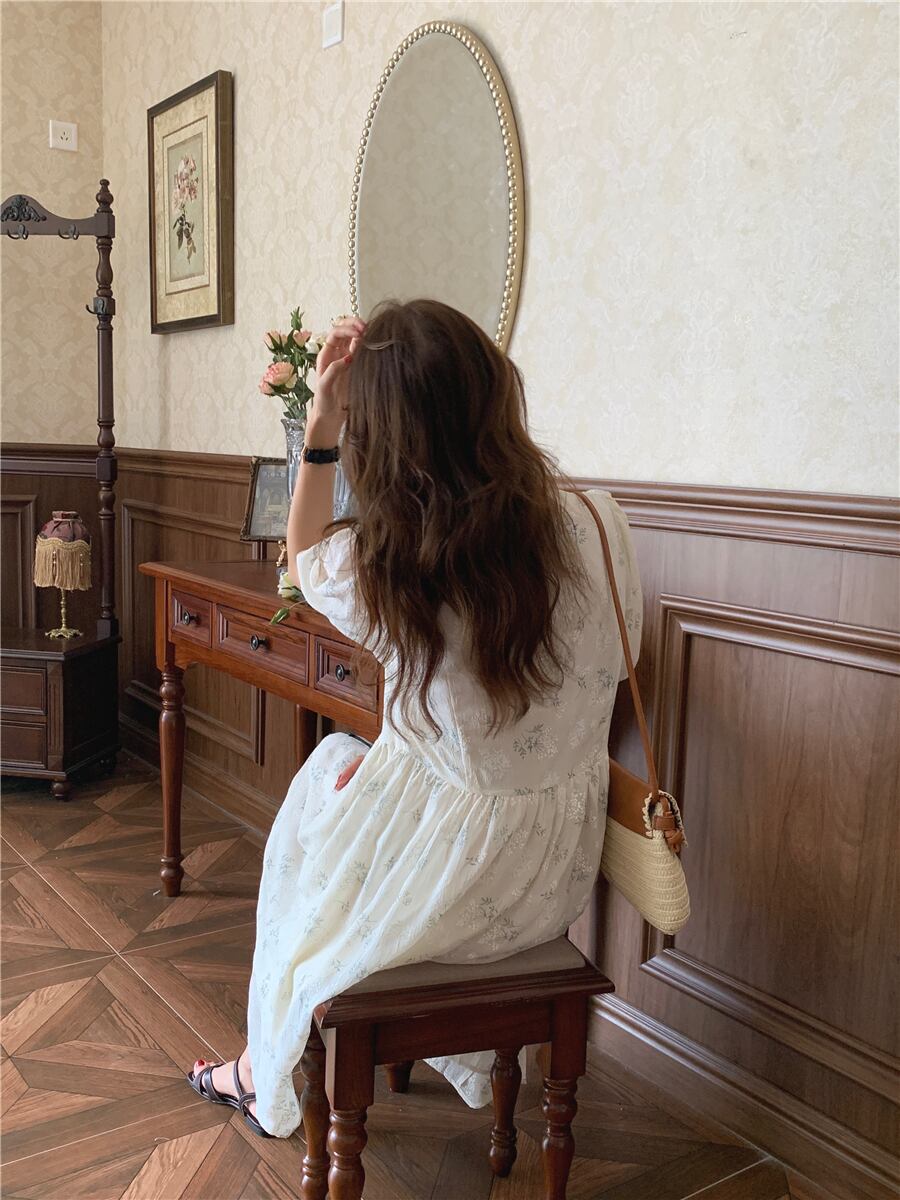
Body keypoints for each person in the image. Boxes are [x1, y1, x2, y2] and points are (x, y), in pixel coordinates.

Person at [187, 299, 643, 1138]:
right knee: (359, 770)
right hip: (555, 875)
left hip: (448, 887)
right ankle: (283, 1052)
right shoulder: (599, 522)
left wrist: (320, 425)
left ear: (387, 440)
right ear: (495, 394)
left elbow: (300, 560)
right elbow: (607, 673)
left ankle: (260, 1069)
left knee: (322, 785)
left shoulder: (390, 564)